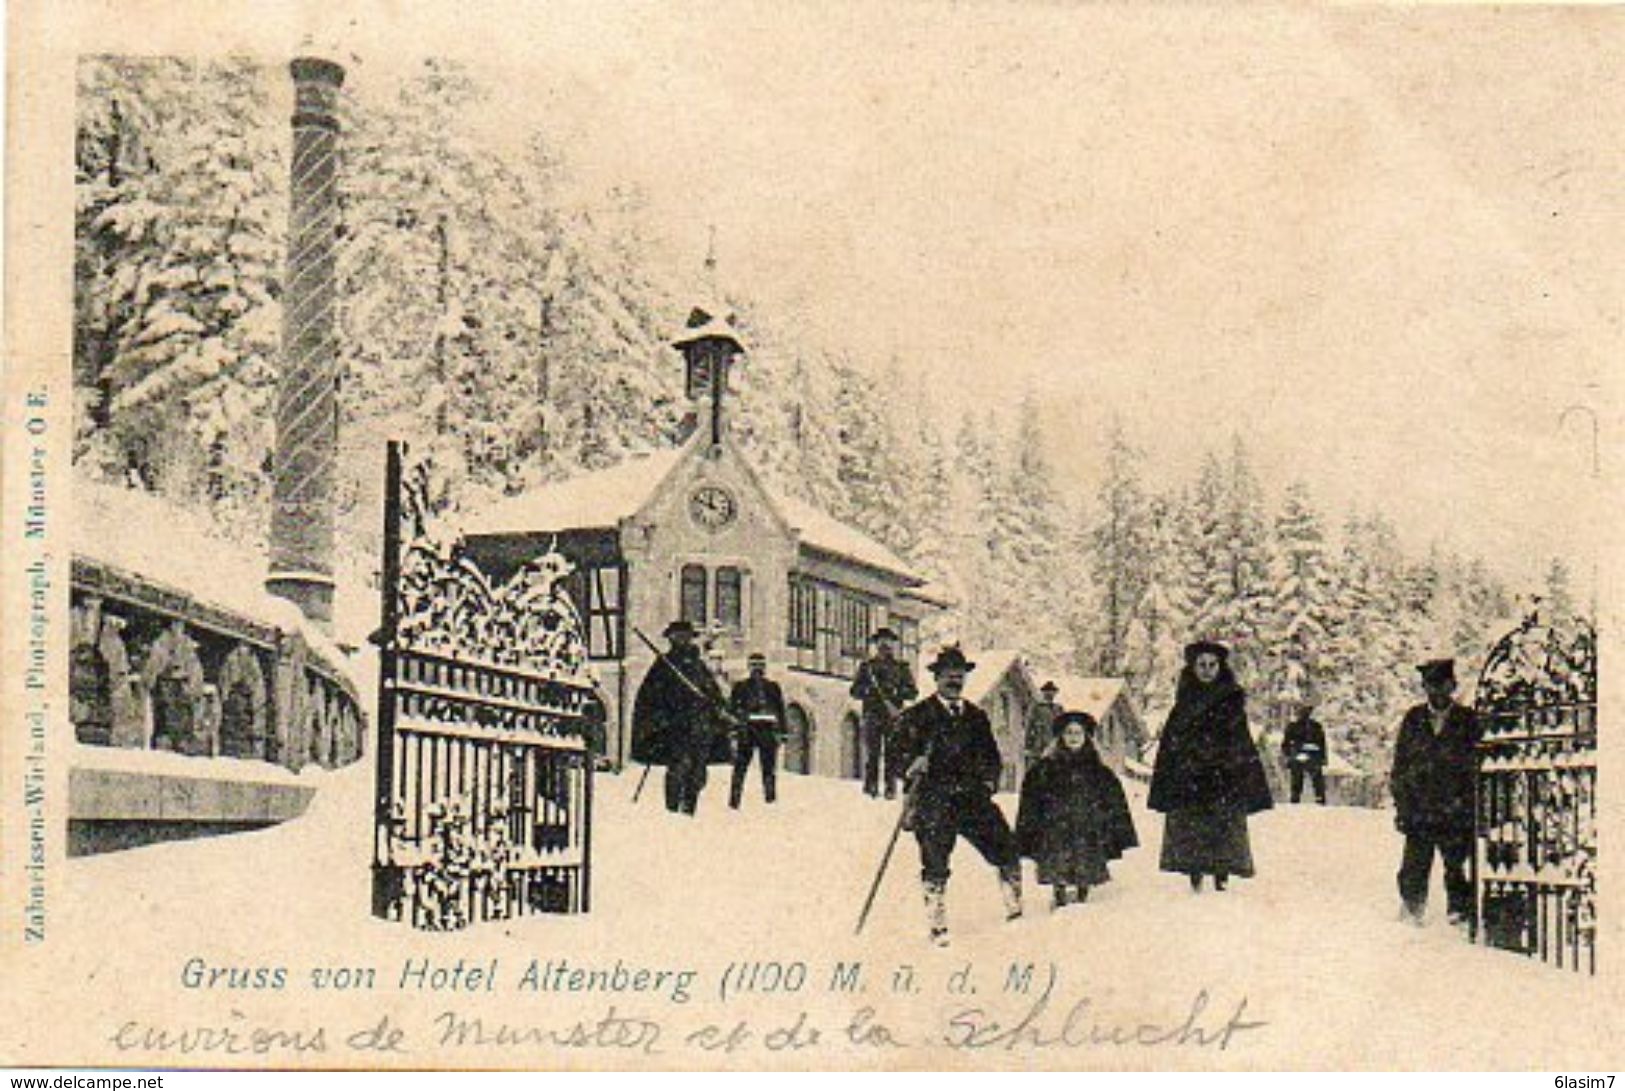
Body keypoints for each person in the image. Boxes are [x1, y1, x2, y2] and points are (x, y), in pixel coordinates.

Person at [893, 644, 1021, 946]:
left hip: (972, 798)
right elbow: (895, 755)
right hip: (933, 799)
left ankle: (1014, 906)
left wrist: (988, 783)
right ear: (936, 678)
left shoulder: (976, 716)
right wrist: (911, 765)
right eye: (949, 676)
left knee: (1005, 846)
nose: (955, 681)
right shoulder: (917, 716)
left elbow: (992, 756)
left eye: (959, 676)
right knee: (935, 860)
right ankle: (937, 922)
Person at [1147, 640, 1274, 892]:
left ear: (1220, 667)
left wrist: (1236, 768)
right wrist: (1175, 770)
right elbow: (1171, 743)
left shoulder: (1231, 701)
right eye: (1201, 665)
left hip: (1222, 776)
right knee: (1192, 824)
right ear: (1193, 668)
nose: (1206, 669)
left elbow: (1240, 741)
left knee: (1222, 825)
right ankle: (1194, 871)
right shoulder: (1183, 703)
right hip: (1190, 776)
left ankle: (1222, 874)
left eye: (1212, 664)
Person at [1015, 710, 1139, 909]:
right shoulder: (1045, 767)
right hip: (1055, 826)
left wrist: (1111, 824)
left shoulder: (1097, 769)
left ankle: (1083, 892)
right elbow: (1031, 799)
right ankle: (1060, 893)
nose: (1073, 737)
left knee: (1085, 860)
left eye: (1078, 733)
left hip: (1087, 825)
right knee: (1057, 860)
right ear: (1061, 737)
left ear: (1086, 737)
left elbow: (1113, 798)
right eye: (1069, 733)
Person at [1390, 658, 1479, 928]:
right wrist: (1403, 803)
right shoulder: (1414, 719)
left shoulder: (1467, 719)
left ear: (1452, 686)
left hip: (1455, 807)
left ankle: (1460, 913)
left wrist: (1466, 802)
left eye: (1442, 686)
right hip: (1420, 807)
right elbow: (1401, 762)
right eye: (1431, 686)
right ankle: (1412, 908)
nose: (1437, 693)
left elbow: (1475, 763)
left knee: (1456, 863)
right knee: (1414, 864)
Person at [630, 620, 730, 816]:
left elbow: (712, 691)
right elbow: (649, 695)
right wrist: (660, 716)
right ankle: (672, 809)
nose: (681, 640)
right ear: (671, 639)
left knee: (698, 771)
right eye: (677, 637)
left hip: (700, 725)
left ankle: (689, 807)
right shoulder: (664, 664)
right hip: (677, 725)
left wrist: (715, 705)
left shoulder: (698, 665)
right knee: (679, 766)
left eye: (685, 636)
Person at [850, 627, 919, 799]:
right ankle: (870, 787)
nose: (885, 644)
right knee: (872, 753)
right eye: (881, 641)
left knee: (892, 753)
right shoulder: (867, 668)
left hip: (893, 716)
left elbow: (913, 692)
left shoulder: (901, 668)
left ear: (893, 645)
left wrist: (897, 692)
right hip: (872, 714)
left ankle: (890, 788)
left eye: (888, 641)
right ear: (876, 644)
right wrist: (868, 691)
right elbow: (854, 690)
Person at [728, 653, 787, 808]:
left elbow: (780, 709)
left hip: (767, 730)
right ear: (749, 667)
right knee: (740, 768)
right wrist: (734, 729)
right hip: (747, 730)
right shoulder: (740, 687)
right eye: (754, 665)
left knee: (768, 768)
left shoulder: (773, 687)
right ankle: (734, 802)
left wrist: (783, 732)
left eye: (760, 665)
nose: (757, 669)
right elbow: (733, 709)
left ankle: (770, 800)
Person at [1282, 700, 1329, 805]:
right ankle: (1317, 799)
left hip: (1306, 755)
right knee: (1312, 781)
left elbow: (1322, 744)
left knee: (1306, 781)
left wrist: (1289, 754)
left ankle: (1303, 799)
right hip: (1307, 756)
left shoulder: (1314, 726)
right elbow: (1285, 744)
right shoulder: (1313, 726)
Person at [1024, 680, 1063, 769]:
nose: (1050, 694)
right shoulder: (1037, 708)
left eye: (1052, 692)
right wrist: (1027, 746)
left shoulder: (1059, 709)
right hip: (1039, 746)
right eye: (1047, 692)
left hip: (1054, 746)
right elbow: (1029, 727)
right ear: (1043, 693)